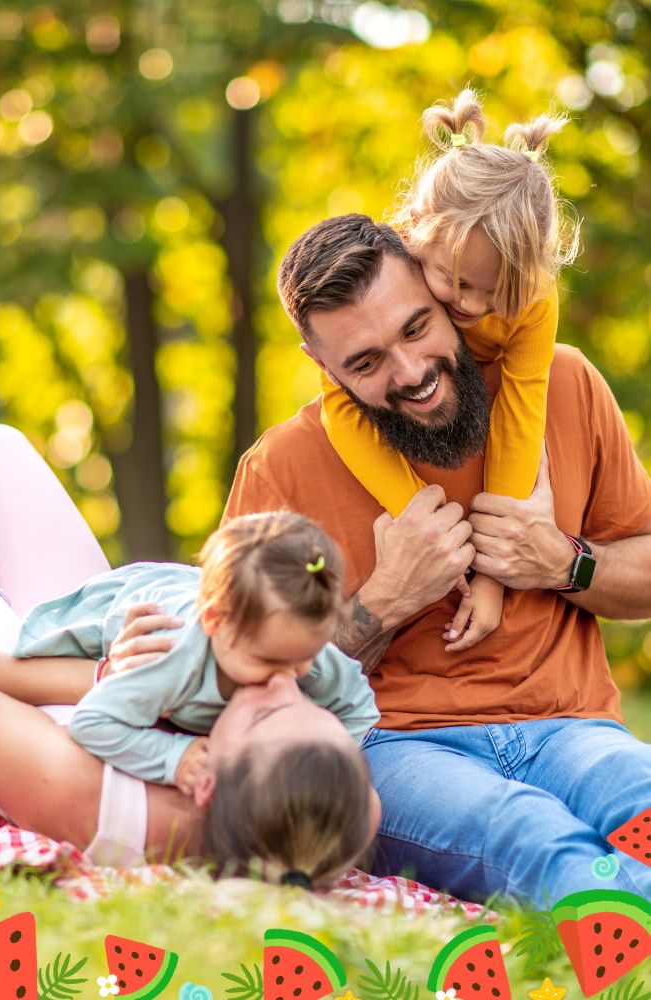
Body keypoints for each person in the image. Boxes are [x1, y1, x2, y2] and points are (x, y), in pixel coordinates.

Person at [223, 211, 651, 907]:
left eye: (416, 327)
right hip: (399, 749)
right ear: (322, 365)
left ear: (442, 292)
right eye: (366, 362)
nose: (412, 372)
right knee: (530, 832)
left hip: (574, 729)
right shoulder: (280, 469)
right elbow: (237, 684)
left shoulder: (563, 382)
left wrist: (563, 562)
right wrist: (384, 601)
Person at [0, 420, 380, 888]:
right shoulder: (312, 808)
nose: (285, 683)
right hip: (93, 637)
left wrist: (104, 674)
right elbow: (364, 801)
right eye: (314, 709)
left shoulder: (93, 796)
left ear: (206, 783)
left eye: (265, 713)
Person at [321, 89, 579, 652]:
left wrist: (492, 576)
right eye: (456, 283)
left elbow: (519, 416)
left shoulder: (534, 299)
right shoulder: (390, 273)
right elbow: (340, 402)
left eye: (497, 292)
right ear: (417, 230)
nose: (472, 306)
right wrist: (423, 519)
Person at [4, 511, 379, 793]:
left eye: (305, 658)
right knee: (8, 638)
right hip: (120, 609)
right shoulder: (173, 657)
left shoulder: (292, 640)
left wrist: (327, 763)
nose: (288, 677)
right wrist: (174, 755)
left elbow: (359, 706)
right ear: (215, 622)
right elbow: (93, 722)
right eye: (269, 662)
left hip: (212, 596)